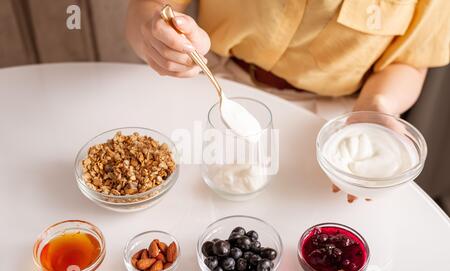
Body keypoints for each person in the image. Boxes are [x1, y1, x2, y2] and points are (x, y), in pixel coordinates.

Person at [126, 0, 450, 201]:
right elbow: (151, 7)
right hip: (215, 77)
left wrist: (376, 106)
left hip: (333, 116)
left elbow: (409, 59)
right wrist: (153, 31)